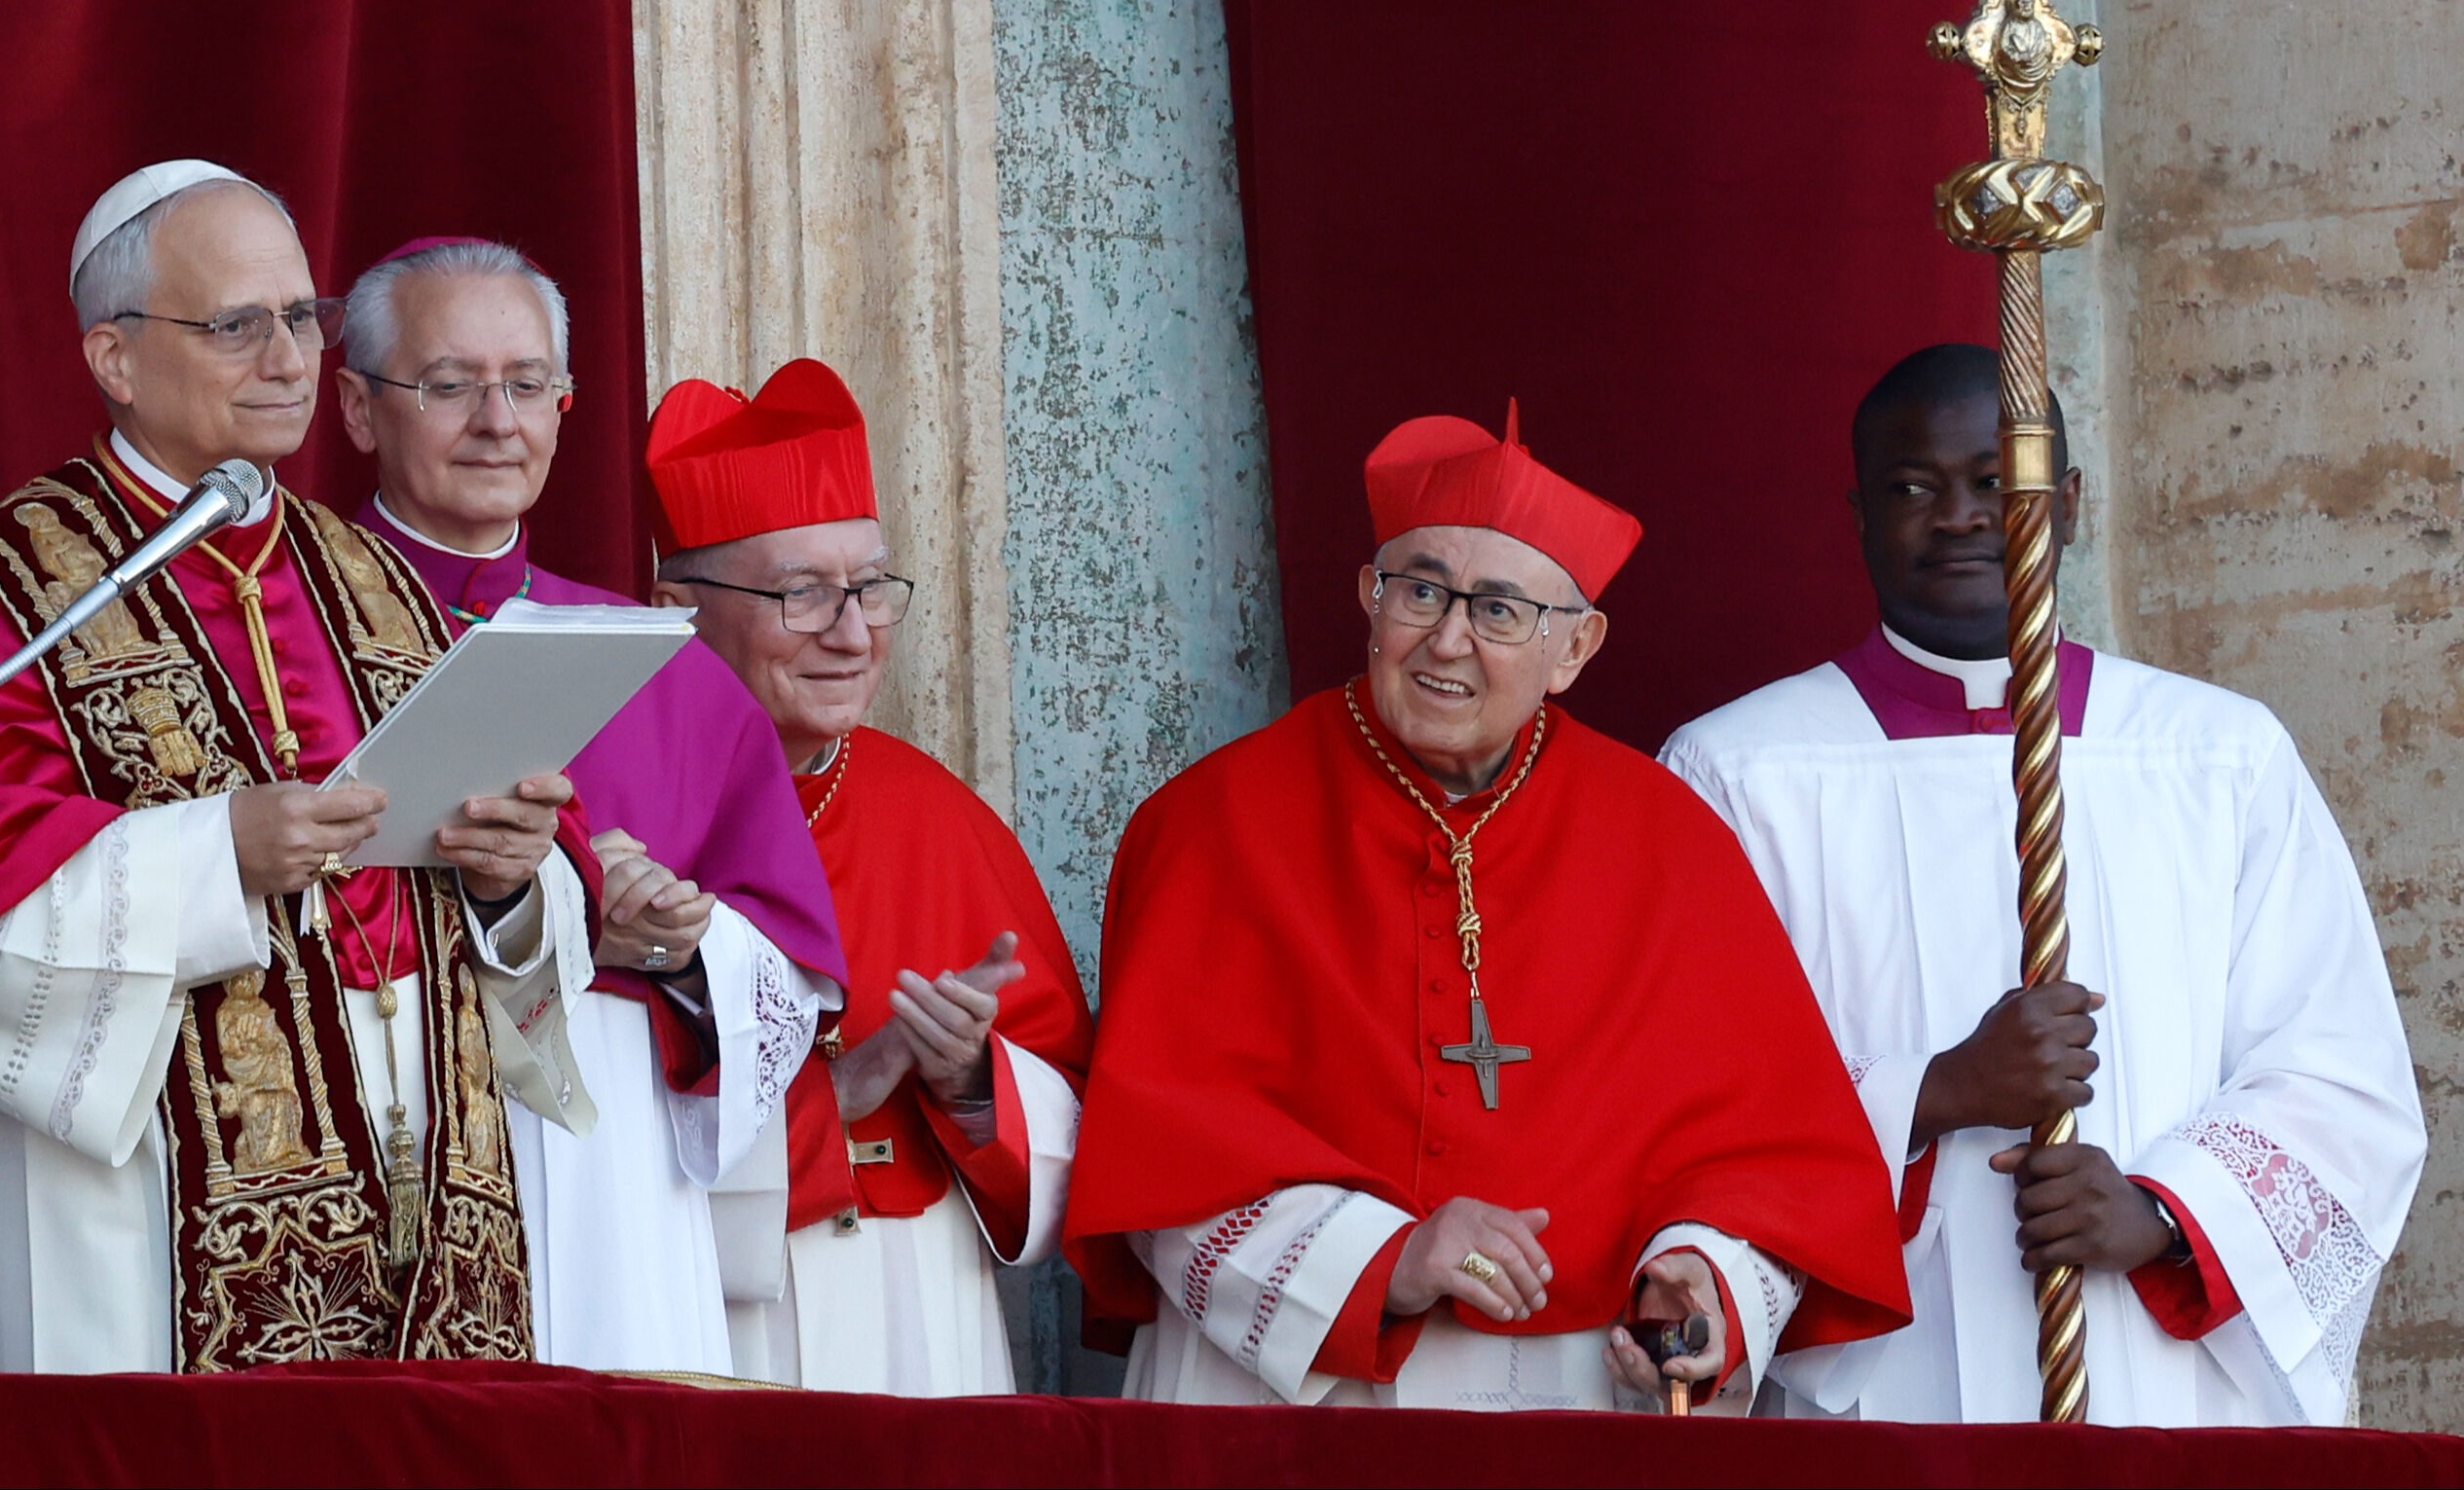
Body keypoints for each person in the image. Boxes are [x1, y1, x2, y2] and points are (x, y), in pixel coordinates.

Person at [0, 164, 595, 1373]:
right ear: (115, 358)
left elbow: (498, 909)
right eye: (236, 325)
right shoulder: (7, 585)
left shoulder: (378, 575)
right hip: (151, 1220)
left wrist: (514, 879)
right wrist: (218, 858)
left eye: (302, 318)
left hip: (421, 1197)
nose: (290, 357)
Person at [1065, 404, 1908, 1411]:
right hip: (1292, 1404)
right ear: (1368, 598)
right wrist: (1392, 1258)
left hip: (1577, 1399)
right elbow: (1161, 1166)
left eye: (1501, 609)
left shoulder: (1669, 842)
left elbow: (1774, 1155)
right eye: (1420, 589)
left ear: (1576, 648)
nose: (1449, 639)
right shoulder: (1210, 826)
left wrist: (1703, 1286)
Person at [1662, 344, 2424, 1425]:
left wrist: (2165, 1216)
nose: (1963, 516)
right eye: (1914, 488)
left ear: (2068, 502)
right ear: (1860, 514)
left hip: (2158, 1383)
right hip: (1886, 1395)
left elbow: (2342, 1077)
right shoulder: (1735, 774)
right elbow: (1683, 1096)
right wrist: (1934, 1094)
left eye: (1998, 483)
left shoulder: (2217, 756)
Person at [335, 237, 846, 1376]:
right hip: (385, 1125)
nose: (496, 421)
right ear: (361, 411)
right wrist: (554, 906)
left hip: (611, 1167)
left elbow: (790, 967)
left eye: (528, 386)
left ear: (566, 409)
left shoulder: (667, 666)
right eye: (450, 384)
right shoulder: (285, 634)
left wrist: (678, 942)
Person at [642, 359, 1091, 1394]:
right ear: (676, 605)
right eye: (801, 594)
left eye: (869, 587)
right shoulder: (613, 805)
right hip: (704, 1308)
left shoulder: (940, 814)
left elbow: (1079, 1110)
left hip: (920, 1308)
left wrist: (977, 1085)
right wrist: (832, 1098)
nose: (852, 633)